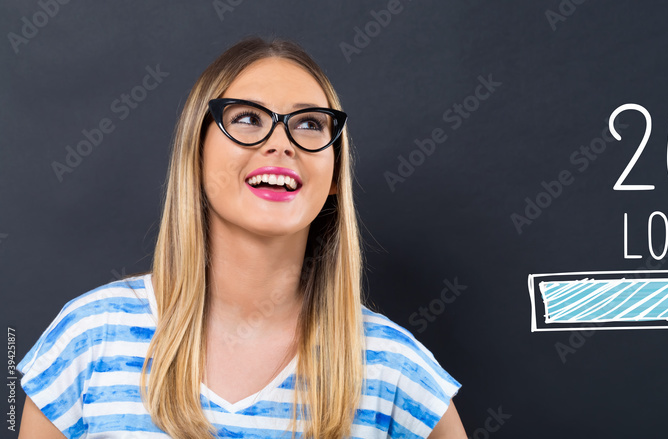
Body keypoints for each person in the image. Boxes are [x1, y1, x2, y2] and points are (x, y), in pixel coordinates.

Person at [16, 35, 466, 438]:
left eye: (310, 123)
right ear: (196, 153)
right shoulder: (91, 337)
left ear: (334, 174)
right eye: (248, 118)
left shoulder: (392, 365)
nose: (281, 143)